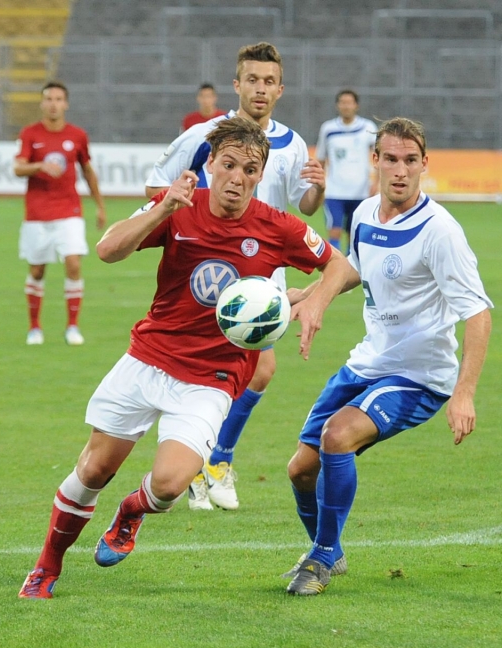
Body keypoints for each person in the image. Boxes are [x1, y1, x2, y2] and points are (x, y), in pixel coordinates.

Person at [18, 116, 352, 600]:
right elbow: (108, 250)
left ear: (260, 175)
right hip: (149, 357)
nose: (237, 178)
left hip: (211, 378)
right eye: (229, 165)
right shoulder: (179, 205)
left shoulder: (277, 226)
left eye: (250, 170)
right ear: (211, 163)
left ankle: (131, 511)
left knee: (170, 486)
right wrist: (163, 207)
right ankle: (46, 567)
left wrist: (314, 301)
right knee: (91, 472)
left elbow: (341, 266)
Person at [282, 116, 493, 596]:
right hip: (368, 361)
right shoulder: (364, 214)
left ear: (424, 164)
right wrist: (308, 294)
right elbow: (356, 268)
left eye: (410, 161)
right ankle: (329, 549)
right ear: (375, 160)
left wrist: (464, 394)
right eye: (392, 159)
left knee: (338, 437)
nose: (400, 171)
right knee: (301, 469)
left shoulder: (440, 231)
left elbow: (478, 313)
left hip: (420, 375)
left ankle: (321, 557)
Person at [147, 41, 325, 512]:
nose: (260, 89)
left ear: (280, 89)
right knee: (237, 366)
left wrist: (318, 190)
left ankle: (211, 459)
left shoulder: (291, 144)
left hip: (265, 274)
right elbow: (156, 182)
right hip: (208, 273)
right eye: (252, 80)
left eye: (269, 82)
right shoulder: (206, 135)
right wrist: (190, 214)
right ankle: (204, 459)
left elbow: (303, 205)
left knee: (259, 371)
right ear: (237, 84)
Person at [14, 81, 106, 346]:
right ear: (42, 103)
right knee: (37, 270)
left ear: (65, 104)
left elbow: (87, 171)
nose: (53, 104)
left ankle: (72, 326)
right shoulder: (30, 133)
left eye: (58, 99)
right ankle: (34, 327)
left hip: (69, 210)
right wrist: (39, 165)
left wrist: (99, 205)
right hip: (37, 213)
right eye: (49, 99)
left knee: (74, 263)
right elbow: (18, 168)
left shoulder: (77, 135)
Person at [315, 89, 378, 254]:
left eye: (349, 103)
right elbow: (321, 159)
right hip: (334, 191)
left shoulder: (368, 127)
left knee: (353, 234)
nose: (346, 106)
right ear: (337, 105)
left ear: (356, 105)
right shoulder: (328, 129)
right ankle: (335, 265)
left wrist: (376, 182)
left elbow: (379, 157)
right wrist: (318, 186)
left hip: (360, 191)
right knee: (334, 231)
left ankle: (350, 266)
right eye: (343, 102)